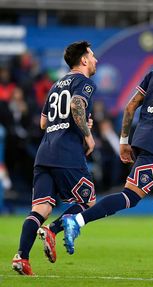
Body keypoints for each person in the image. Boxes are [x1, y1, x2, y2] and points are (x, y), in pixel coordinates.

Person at [61, 38, 153, 277]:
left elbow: (131, 106)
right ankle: (77, 220)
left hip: (144, 140)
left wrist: (123, 142)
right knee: (130, 196)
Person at [12, 41, 98, 275]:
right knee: (88, 202)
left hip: (45, 151)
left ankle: (22, 256)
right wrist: (87, 135)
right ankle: (53, 230)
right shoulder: (85, 82)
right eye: (92, 56)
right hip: (67, 153)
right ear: (83, 60)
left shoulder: (55, 86)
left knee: (40, 208)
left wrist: (75, 122)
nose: (95, 60)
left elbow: (43, 122)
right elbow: (77, 104)